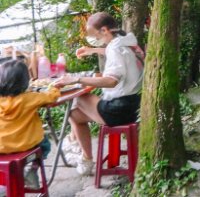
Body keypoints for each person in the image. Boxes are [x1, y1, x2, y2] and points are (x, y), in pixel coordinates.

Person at [53, 12, 144, 176]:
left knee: (79, 98)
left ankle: (81, 152)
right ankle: (80, 151)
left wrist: (76, 79)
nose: (93, 38)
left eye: (94, 35)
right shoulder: (128, 42)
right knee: (74, 115)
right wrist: (93, 50)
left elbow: (111, 80)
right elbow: (114, 51)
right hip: (135, 104)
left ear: (104, 30)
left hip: (120, 110)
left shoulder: (116, 49)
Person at [0, 59, 59, 188]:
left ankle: (6, 181)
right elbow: (51, 97)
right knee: (45, 145)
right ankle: (32, 169)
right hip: (26, 145)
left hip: (1, 147)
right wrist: (55, 88)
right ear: (25, 81)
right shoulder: (30, 98)